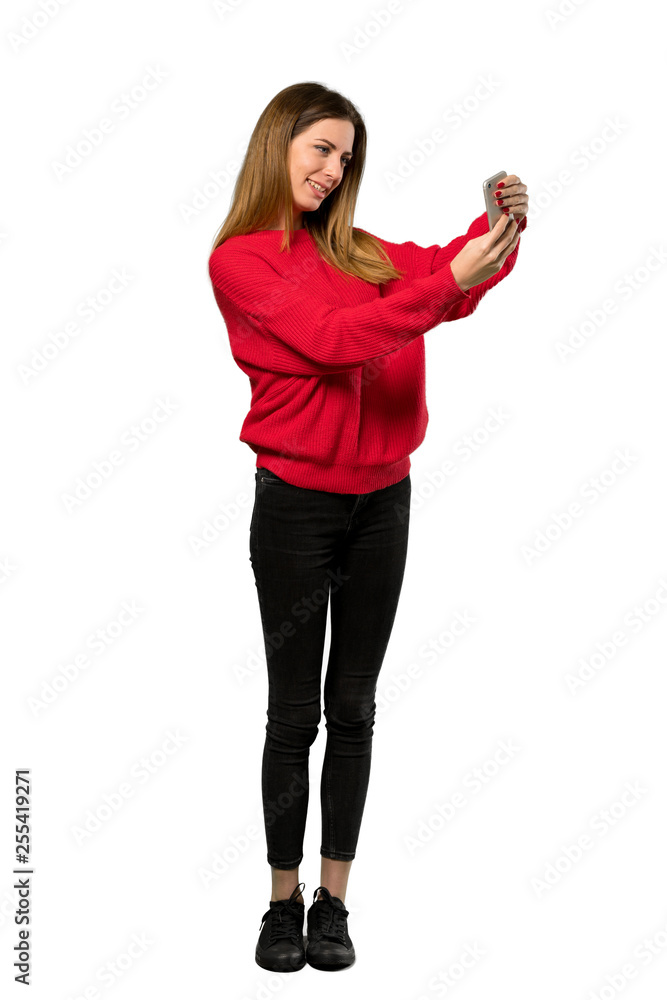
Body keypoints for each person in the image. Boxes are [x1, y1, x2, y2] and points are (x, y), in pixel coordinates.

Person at [208, 81, 529, 974]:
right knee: (292, 713)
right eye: (320, 148)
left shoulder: (358, 250)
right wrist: (445, 285)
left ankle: (333, 903)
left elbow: (439, 274)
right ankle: (280, 903)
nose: (332, 168)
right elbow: (334, 339)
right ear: (276, 144)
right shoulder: (240, 262)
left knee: (353, 707)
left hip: (383, 503)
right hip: (295, 507)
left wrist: (496, 224)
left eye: (345, 157)